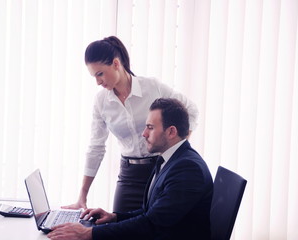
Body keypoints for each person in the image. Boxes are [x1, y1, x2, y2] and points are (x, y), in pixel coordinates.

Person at [63, 36, 199, 213]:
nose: (97, 82)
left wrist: (179, 150)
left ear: (116, 64)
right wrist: (82, 195)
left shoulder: (152, 87)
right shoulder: (101, 101)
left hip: (160, 168)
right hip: (129, 175)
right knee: (119, 228)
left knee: (154, 228)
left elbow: (191, 111)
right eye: (94, 76)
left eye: (100, 73)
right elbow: (96, 147)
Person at [49, 98, 213, 240]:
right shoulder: (170, 159)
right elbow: (152, 213)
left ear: (171, 132)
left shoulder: (188, 169)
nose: (144, 134)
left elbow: (152, 224)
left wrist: (89, 233)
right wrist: (114, 217)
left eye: (150, 127)